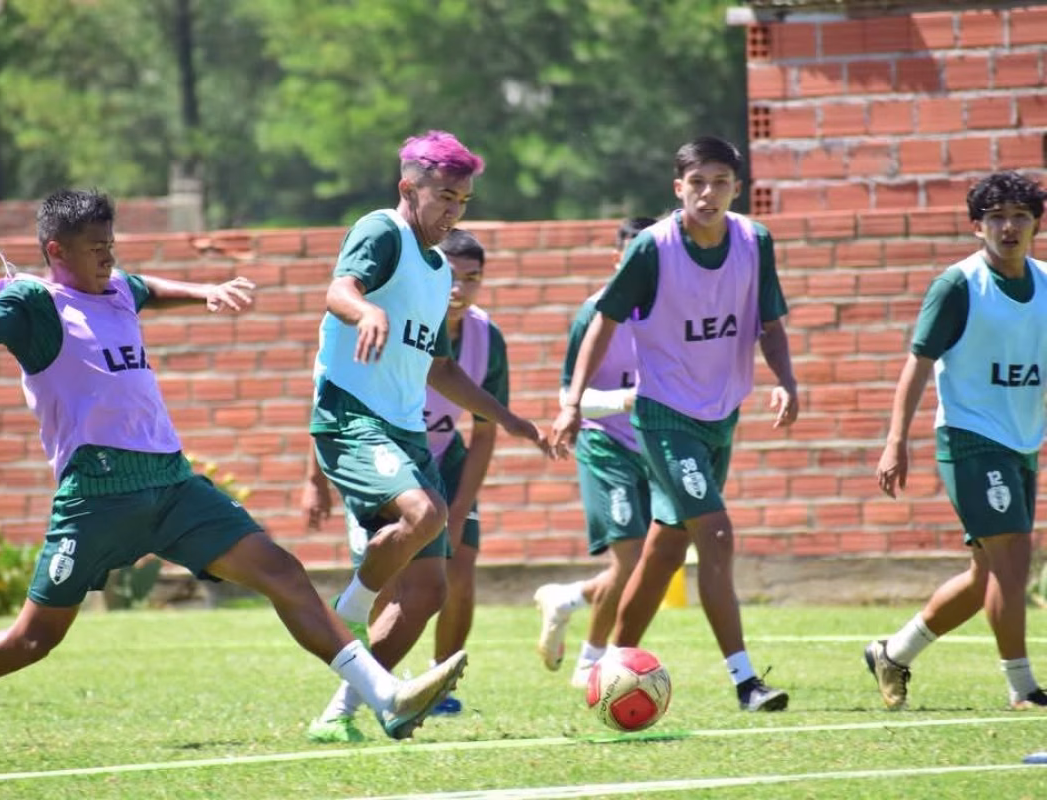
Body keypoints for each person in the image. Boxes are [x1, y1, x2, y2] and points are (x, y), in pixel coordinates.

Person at [0, 189, 466, 751]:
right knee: (32, 640)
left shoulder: (118, 287)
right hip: (97, 495)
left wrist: (207, 291)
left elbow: (147, 286)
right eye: (94, 248)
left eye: (111, 244)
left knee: (282, 571)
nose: (107, 257)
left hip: (174, 486)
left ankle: (383, 698)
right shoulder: (32, 301)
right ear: (54, 251)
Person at [304, 131, 553, 743]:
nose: (453, 211)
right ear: (407, 188)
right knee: (427, 511)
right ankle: (352, 612)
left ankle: (346, 712)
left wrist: (508, 418)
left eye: (463, 201)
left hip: (404, 427)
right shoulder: (381, 230)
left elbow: (441, 367)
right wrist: (367, 311)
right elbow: (339, 290)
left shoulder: (440, 270)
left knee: (428, 590)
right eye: (444, 196)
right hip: (351, 415)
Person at [550, 136, 798, 713]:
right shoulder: (653, 249)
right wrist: (571, 402)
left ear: (738, 188)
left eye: (721, 182)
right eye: (697, 183)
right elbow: (603, 321)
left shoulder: (755, 242)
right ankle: (745, 683)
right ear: (678, 188)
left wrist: (786, 380)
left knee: (664, 551)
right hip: (664, 416)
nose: (708, 193)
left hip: (722, 412)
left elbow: (771, 323)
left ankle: (612, 664)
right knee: (714, 534)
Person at [304, 227, 509, 718]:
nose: (459, 288)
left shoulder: (483, 337)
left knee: (448, 580)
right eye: (453, 277)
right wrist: (314, 478)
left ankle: (433, 680)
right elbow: (331, 389)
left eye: (472, 279)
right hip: (381, 453)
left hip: (440, 457)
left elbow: (481, 425)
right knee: (393, 579)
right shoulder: (399, 306)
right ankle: (357, 630)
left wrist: (459, 509)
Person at [868, 170, 1047, 712]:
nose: (1008, 227)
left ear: (1036, 222)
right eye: (996, 218)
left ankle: (893, 653)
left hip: (1021, 441)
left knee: (987, 574)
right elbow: (918, 364)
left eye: (1019, 216)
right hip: (969, 437)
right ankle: (1023, 688)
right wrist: (895, 439)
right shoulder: (959, 285)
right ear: (977, 227)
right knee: (1014, 559)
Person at [533, 216, 657, 689]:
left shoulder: (673, 308)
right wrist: (627, 399)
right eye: (632, 258)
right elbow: (572, 398)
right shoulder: (596, 313)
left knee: (648, 562)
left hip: (656, 446)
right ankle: (591, 662)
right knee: (630, 559)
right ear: (617, 260)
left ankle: (568, 598)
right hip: (607, 447)